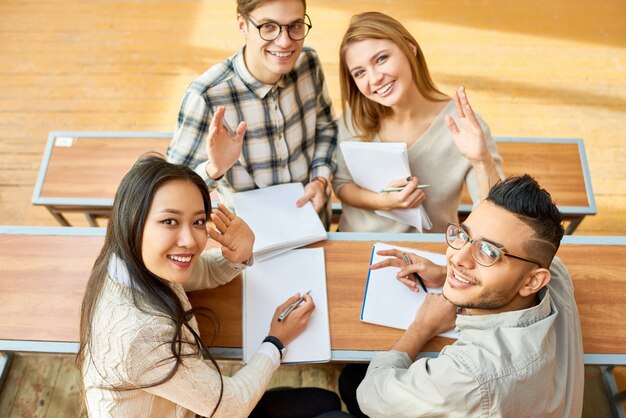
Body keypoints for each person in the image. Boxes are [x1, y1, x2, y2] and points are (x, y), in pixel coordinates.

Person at [77, 155, 345, 417]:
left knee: (326, 401)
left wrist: (236, 258)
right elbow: (230, 407)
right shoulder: (141, 338)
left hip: (192, 402)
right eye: (169, 221)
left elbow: (197, 270)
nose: (190, 241)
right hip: (211, 407)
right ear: (133, 221)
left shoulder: (124, 257)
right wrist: (276, 341)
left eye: (197, 221)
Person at [339, 175, 584, 417]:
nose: (457, 258)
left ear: (532, 281)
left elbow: (372, 395)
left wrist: (421, 328)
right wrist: (446, 273)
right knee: (351, 378)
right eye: (464, 237)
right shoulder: (555, 273)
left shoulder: (470, 375)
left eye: (488, 252)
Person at [166, 0, 337, 223]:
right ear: (242, 25)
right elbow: (172, 191)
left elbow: (326, 128)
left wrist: (320, 180)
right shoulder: (206, 96)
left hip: (314, 222)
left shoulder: (308, 63)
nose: (284, 42)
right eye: (268, 27)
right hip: (250, 244)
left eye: (295, 26)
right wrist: (213, 169)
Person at [333, 11, 503, 233]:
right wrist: (381, 202)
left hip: (429, 255)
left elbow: (497, 209)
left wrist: (482, 160)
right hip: (355, 249)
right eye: (359, 73)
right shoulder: (352, 120)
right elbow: (342, 185)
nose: (374, 78)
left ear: (409, 48)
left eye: (381, 59)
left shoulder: (462, 126)